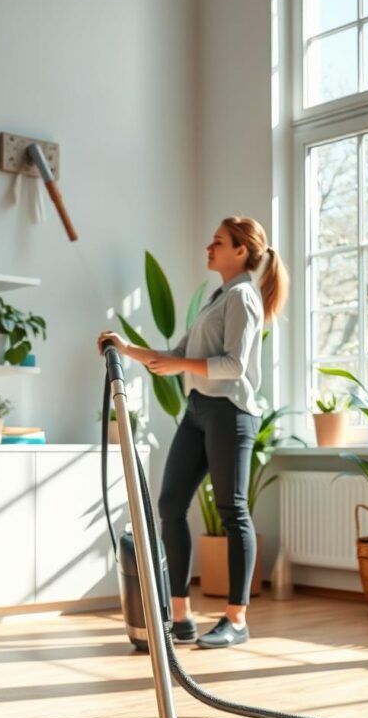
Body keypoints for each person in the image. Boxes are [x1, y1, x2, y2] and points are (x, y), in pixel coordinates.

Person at [98, 216, 289, 648]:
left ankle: (236, 620)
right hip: (199, 409)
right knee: (169, 504)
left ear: (240, 251)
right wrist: (126, 349)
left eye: (218, 242)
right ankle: (180, 616)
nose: (209, 247)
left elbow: (235, 365)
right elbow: (179, 354)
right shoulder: (218, 297)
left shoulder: (243, 297)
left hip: (230, 413)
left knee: (231, 510)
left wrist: (181, 366)